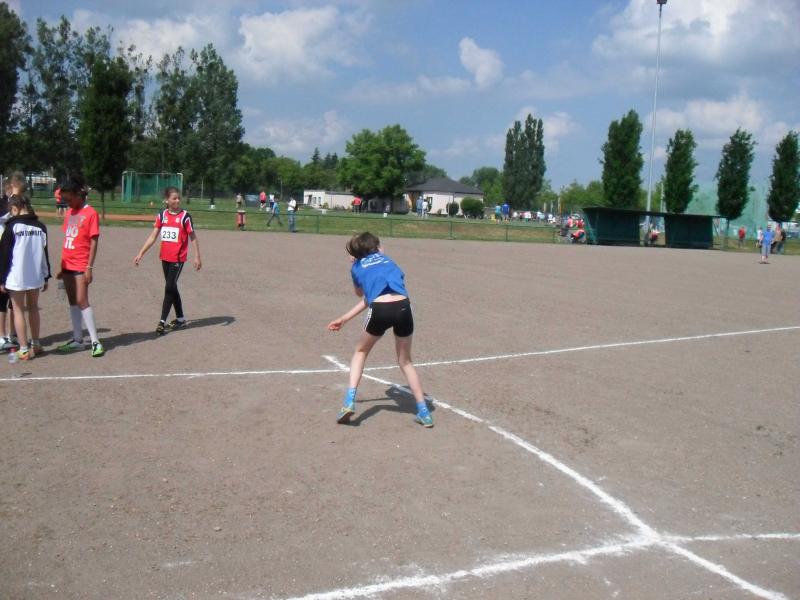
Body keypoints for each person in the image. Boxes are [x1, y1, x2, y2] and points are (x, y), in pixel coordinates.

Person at [327, 232, 433, 428]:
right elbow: (386, 289)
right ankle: (424, 412)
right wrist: (345, 318)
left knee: (360, 351)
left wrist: (356, 265)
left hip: (380, 309)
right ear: (377, 248)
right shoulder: (389, 261)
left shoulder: (357, 267)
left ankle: (349, 402)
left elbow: (363, 295)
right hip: (404, 307)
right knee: (406, 361)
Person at [133, 187, 202, 335]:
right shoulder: (162, 215)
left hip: (178, 258)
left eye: (178, 198)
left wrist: (197, 256)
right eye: (174, 198)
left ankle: (162, 322)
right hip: (165, 257)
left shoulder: (185, 216)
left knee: (169, 287)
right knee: (172, 287)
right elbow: (153, 236)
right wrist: (141, 253)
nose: (177, 200)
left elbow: (193, 237)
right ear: (167, 200)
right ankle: (181, 319)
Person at [55, 175, 105, 357]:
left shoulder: (90, 213)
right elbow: (67, 238)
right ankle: (77, 340)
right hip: (68, 263)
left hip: (81, 263)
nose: (67, 203)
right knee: (72, 301)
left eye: (69, 199)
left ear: (78, 194)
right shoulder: (69, 213)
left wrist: (89, 267)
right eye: (65, 200)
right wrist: (61, 265)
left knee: (82, 300)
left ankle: (95, 341)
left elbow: (94, 241)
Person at [0, 190, 51, 360]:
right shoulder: (41, 227)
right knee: (34, 308)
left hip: (16, 276)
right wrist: (46, 275)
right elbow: (44, 255)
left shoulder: (11, 227)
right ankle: (36, 344)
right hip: (35, 275)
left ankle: (23, 349)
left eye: (11, 210)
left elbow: (4, 256)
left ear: (15, 208)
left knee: (18, 310)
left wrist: (1, 279)